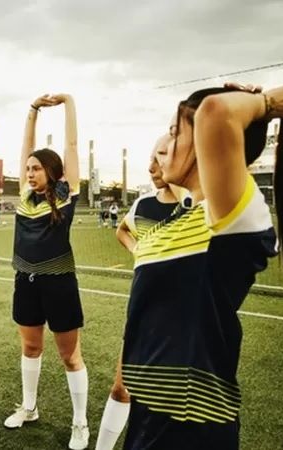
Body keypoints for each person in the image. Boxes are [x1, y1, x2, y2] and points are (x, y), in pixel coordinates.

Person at [122, 83, 283, 449]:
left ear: (204, 140)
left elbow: (215, 112)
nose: (165, 147)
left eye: (175, 133)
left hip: (191, 424)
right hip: (148, 415)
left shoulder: (231, 218)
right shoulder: (177, 218)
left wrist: (265, 104)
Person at [3, 94, 89, 450]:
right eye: (27, 169)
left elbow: (71, 145)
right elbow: (25, 147)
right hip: (26, 281)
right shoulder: (25, 195)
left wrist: (68, 102)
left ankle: (80, 423)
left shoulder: (67, 193)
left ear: (52, 171)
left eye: (36, 168)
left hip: (59, 284)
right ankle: (29, 408)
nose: (29, 173)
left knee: (69, 356)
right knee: (30, 347)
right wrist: (32, 111)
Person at [95, 136, 179, 450]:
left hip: (184, 321)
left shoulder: (201, 208)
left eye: (160, 157)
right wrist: (137, 252)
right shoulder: (144, 205)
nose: (151, 167)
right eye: (151, 158)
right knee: (121, 388)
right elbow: (122, 231)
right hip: (144, 312)